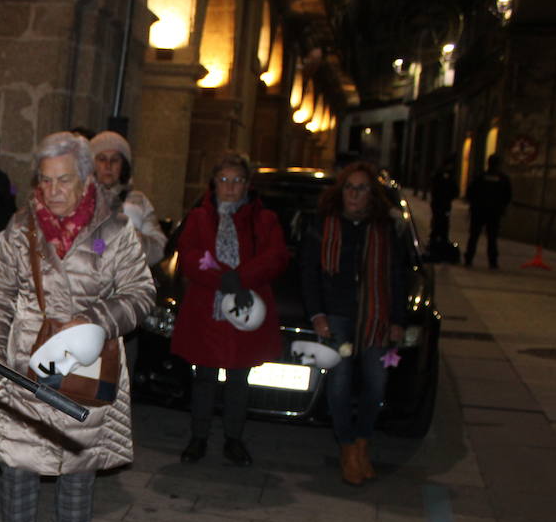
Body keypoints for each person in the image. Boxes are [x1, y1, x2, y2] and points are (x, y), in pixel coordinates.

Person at [0, 132, 153, 522]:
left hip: (87, 363)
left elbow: (140, 294)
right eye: (46, 180)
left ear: (86, 179)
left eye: (64, 180)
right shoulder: (22, 228)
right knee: (18, 462)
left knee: (78, 465)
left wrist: (95, 322)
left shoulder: (114, 230)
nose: (53, 191)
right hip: (25, 360)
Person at [170, 153, 288, 466]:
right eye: (224, 180)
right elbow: (189, 255)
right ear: (214, 183)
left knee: (239, 379)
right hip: (208, 310)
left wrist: (241, 279)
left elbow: (275, 256)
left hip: (246, 309)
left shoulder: (264, 219)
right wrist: (222, 279)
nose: (230, 187)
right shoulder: (199, 217)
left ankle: (233, 439)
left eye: (237, 181)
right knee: (204, 378)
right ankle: (199, 437)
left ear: (247, 185)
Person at [299, 161, 407, 485]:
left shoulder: (385, 229)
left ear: (371, 194)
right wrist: (317, 314)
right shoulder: (324, 224)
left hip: (376, 316)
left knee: (377, 381)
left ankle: (362, 443)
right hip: (337, 315)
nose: (354, 194)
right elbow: (308, 271)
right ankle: (347, 447)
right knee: (340, 381)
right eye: (349, 187)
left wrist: (398, 319)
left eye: (361, 188)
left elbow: (397, 275)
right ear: (340, 190)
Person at [89, 131, 168, 266]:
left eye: (114, 160)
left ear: (123, 165)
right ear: (92, 165)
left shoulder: (138, 200)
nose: (108, 165)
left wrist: (131, 239)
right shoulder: (80, 199)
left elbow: (159, 248)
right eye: (102, 159)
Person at [465, 153, 512, 269]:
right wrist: (502, 207)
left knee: (474, 236)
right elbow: (507, 196)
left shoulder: (480, 177)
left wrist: (474, 205)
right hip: (493, 213)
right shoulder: (503, 179)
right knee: (492, 238)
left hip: (479, 211)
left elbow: (470, 192)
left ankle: (469, 258)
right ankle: (492, 261)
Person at [428, 156, 456, 248]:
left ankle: (439, 240)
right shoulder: (442, 174)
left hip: (442, 203)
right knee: (439, 221)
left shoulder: (446, 174)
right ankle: (436, 240)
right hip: (440, 203)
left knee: (442, 221)